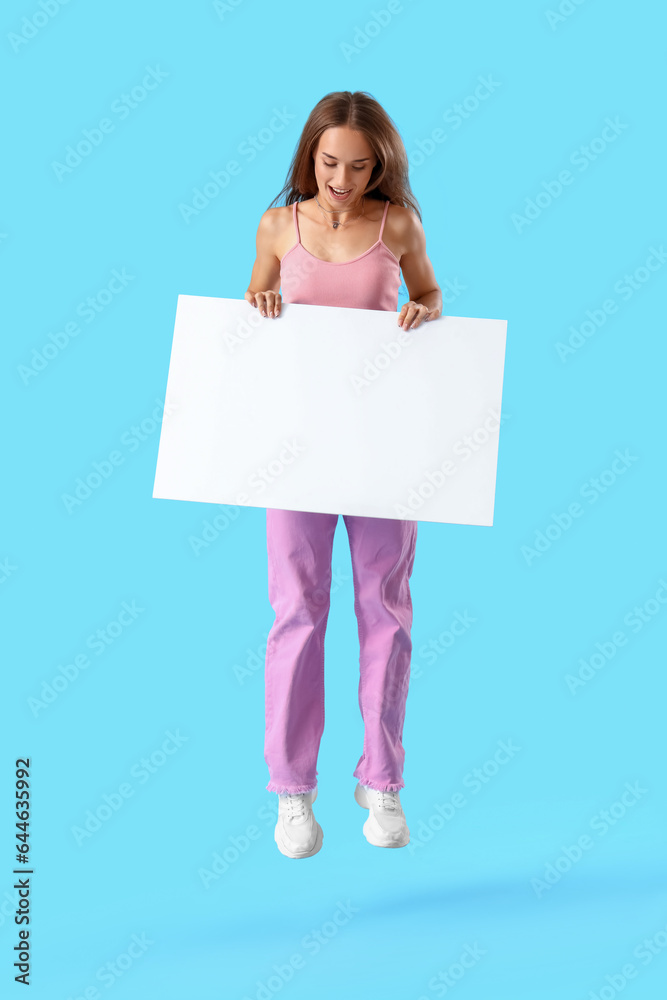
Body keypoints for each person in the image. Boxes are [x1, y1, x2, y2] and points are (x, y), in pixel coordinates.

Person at [244, 90, 442, 859]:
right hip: (293, 449)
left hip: (384, 446)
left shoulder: (397, 224)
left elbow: (425, 293)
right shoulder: (276, 225)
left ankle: (381, 781)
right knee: (296, 610)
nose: (341, 180)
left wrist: (424, 310)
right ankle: (293, 792)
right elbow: (253, 315)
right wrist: (259, 298)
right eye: (330, 163)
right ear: (310, 156)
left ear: (378, 165)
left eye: (359, 167)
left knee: (385, 610)